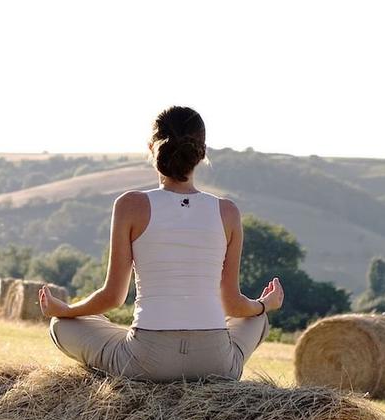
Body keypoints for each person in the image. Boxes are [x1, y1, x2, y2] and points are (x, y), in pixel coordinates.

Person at [39, 106, 284, 382]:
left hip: (147, 360)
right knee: (256, 319)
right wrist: (265, 304)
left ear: (151, 148)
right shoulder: (228, 212)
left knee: (61, 326)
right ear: (202, 153)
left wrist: (67, 311)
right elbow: (233, 305)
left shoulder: (130, 205)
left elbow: (113, 297)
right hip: (215, 362)